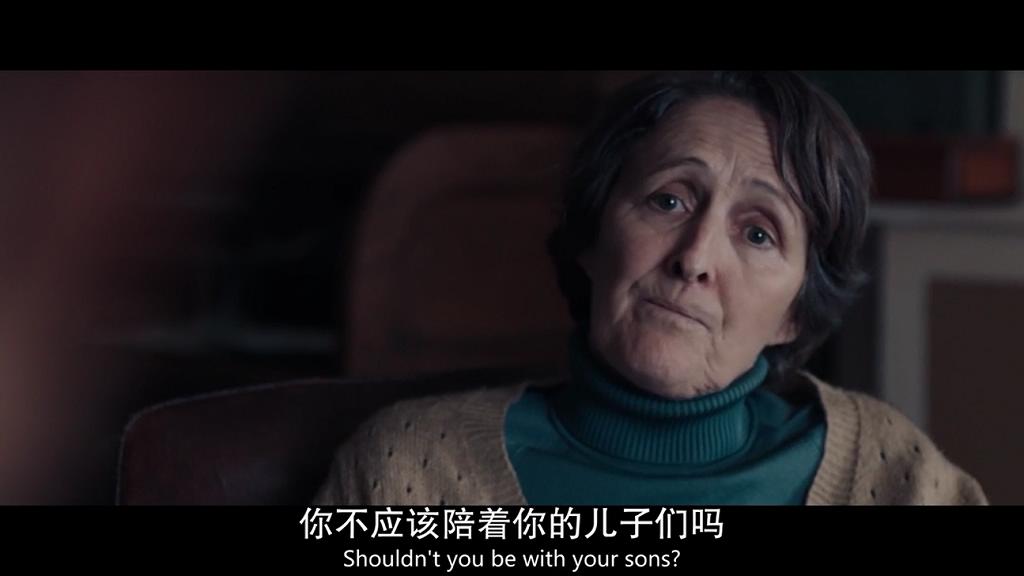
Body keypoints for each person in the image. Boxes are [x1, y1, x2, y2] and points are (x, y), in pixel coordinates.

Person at [314, 71, 987, 505]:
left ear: (794, 313)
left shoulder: (892, 477)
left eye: (758, 234)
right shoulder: (411, 472)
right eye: (669, 200)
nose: (695, 258)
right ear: (592, 234)